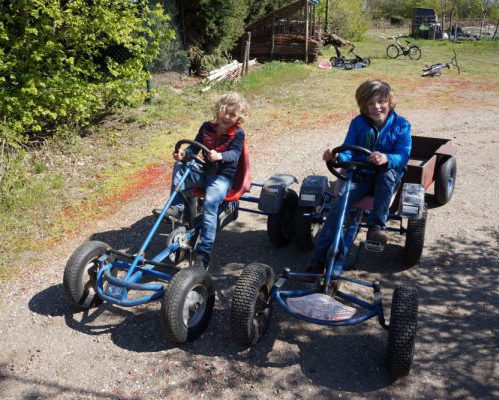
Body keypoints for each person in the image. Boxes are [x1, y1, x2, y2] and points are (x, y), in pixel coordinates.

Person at [307, 79, 411, 274]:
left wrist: (387, 158)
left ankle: (376, 226)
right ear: (363, 105)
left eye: (381, 101)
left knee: (387, 176)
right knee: (338, 208)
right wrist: (337, 156)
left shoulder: (402, 125)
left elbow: (403, 155)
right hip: (361, 173)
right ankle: (318, 260)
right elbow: (349, 149)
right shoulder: (358, 123)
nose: (376, 107)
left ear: (389, 102)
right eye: (370, 103)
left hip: (386, 175)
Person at [164, 92, 249, 269]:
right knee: (180, 167)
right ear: (218, 110)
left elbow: (234, 155)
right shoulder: (207, 127)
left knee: (210, 204)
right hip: (205, 171)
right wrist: (183, 154)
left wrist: (220, 155)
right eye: (225, 112)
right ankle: (177, 206)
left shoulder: (238, 134)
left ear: (239, 117)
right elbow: (195, 146)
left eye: (232, 115)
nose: (227, 117)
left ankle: (204, 252)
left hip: (223, 177)